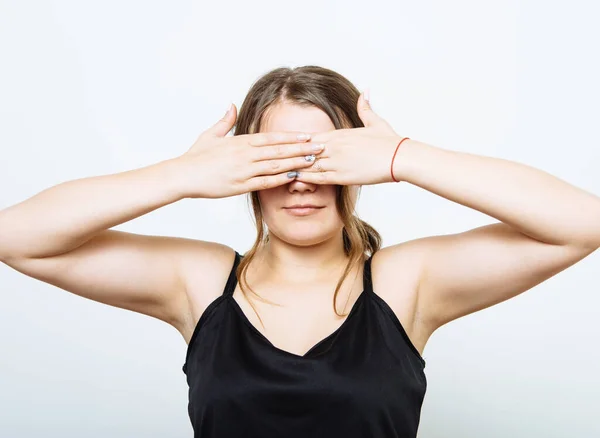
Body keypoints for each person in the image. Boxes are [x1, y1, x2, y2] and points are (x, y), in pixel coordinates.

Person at [0, 65, 598, 438]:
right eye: (277, 159)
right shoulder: (201, 281)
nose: (301, 181)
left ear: (356, 167)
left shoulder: (404, 283)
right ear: (244, 170)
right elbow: (16, 237)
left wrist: (404, 157)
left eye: (322, 157)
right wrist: (177, 175)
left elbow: (582, 223)